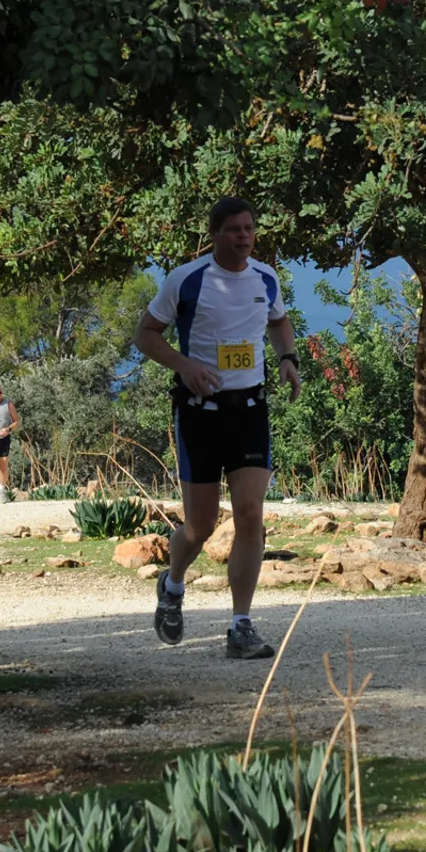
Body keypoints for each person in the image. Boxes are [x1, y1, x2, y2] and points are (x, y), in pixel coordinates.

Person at [132, 196, 301, 660]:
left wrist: (287, 358)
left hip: (249, 409)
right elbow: (145, 334)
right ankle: (172, 584)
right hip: (199, 413)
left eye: (249, 228)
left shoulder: (265, 277)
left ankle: (240, 625)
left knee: (250, 515)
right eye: (233, 229)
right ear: (214, 234)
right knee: (201, 526)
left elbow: (279, 320)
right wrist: (184, 365)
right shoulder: (186, 279)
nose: (243, 236)